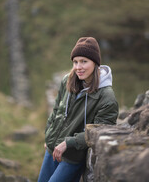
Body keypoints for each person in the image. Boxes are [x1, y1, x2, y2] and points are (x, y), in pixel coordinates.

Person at [37, 37, 118, 182]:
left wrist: (69, 143)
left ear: (95, 63)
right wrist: (49, 135)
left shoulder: (106, 96)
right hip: (52, 149)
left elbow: (100, 130)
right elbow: (57, 111)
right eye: (75, 62)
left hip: (73, 157)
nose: (78, 67)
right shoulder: (67, 81)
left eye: (84, 61)